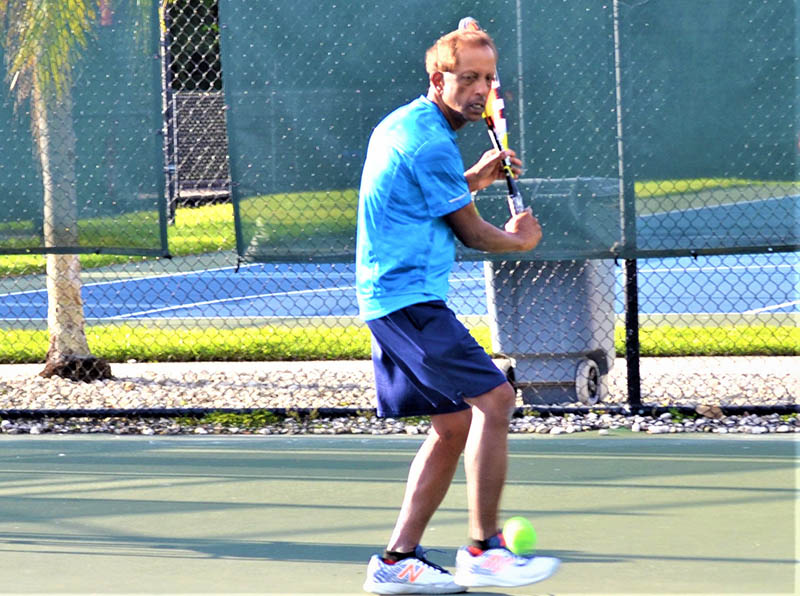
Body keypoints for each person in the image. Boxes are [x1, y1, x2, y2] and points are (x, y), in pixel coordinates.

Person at [357, 27, 560, 594]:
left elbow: (420, 200)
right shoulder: (429, 142)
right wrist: (519, 240)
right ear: (438, 79)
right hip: (407, 299)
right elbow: (471, 232)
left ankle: (397, 561)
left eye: (488, 78)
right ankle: (484, 549)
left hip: (391, 298)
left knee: (454, 426)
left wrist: (474, 178)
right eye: (467, 78)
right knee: (496, 399)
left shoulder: (406, 124)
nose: (480, 90)